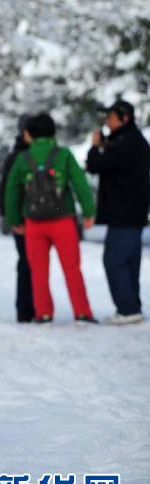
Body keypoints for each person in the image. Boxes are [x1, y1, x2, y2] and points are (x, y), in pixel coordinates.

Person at [5, 113, 96, 324]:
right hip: (63, 220)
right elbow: (80, 183)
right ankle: (82, 312)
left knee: (38, 271)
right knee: (72, 269)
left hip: (34, 223)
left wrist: (15, 220)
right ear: (53, 132)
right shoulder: (63, 154)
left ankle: (43, 313)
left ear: (30, 135)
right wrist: (89, 212)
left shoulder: (22, 158)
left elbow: (12, 191)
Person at [86, 99, 150, 325]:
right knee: (129, 261)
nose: (107, 121)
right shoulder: (133, 141)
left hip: (124, 214)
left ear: (124, 118)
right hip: (133, 213)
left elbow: (96, 165)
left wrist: (95, 147)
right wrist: (106, 143)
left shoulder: (127, 143)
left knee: (114, 260)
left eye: (111, 117)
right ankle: (132, 307)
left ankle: (127, 308)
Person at [0, 116, 34, 322]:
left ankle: (29, 308)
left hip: (29, 217)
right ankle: (26, 308)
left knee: (29, 263)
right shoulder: (18, 156)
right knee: (27, 263)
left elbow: (5, 188)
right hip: (23, 219)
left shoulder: (17, 154)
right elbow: (7, 189)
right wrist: (11, 218)